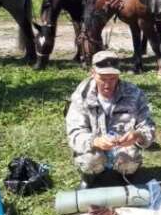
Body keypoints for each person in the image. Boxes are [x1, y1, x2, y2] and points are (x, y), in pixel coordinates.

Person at [65, 50, 156, 188]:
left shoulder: (134, 94)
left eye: (113, 78)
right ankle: (90, 178)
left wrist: (138, 136)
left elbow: (148, 127)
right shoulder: (81, 96)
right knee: (91, 159)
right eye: (103, 78)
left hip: (122, 149)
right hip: (94, 148)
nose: (107, 85)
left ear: (119, 74)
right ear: (93, 73)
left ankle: (125, 177)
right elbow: (74, 133)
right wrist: (94, 141)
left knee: (129, 160)